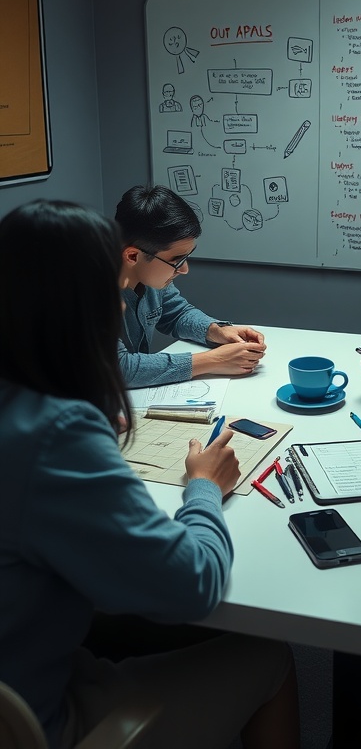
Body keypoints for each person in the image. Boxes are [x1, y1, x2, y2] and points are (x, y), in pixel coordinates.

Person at [0, 199, 299, 749]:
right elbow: (195, 585)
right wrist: (204, 487)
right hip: (35, 722)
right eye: (110, 290)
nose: (121, 302)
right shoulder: (57, 434)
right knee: (269, 655)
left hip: (28, 655)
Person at [116, 184, 266, 387]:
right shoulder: (85, 290)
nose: (184, 269)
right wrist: (214, 360)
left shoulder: (149, 277)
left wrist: (216, 330)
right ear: (133, 256)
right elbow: (118, 369)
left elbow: (177, 313)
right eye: (176, 261)